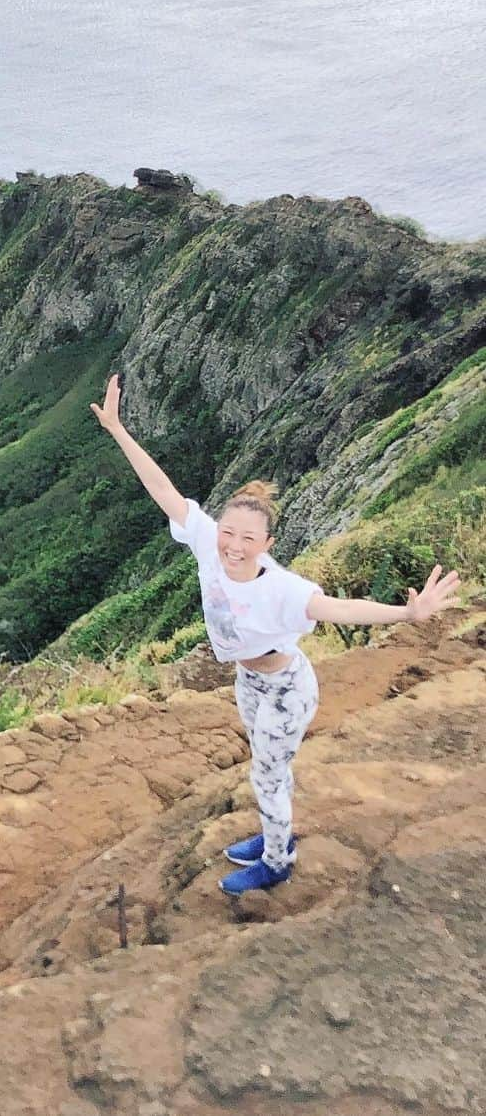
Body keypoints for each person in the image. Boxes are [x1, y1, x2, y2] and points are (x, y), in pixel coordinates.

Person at [89, 372, 462, 895]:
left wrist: (408, 616)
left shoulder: (284, 589)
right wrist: (118, 430)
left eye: (247, 538)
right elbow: (162, 488)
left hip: (287, 686)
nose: (232, 546)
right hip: (249, 681)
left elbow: (340, 609)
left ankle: (278, 859)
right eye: (227, 533)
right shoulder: (205, 542)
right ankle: (273, 832)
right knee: (268, 767)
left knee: (266, 771)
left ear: (267, 542)